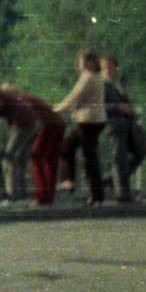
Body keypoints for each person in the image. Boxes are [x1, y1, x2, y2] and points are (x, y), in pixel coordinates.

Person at [0, 77, 65, 206]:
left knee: (8, 159)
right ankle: (21, 196)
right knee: (19, 159)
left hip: (23, 124)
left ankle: (14, 197)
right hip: (32, 122)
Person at [54, 48, 108, 205]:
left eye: (87, 62)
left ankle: (95, 195)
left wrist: (56, 109)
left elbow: (74, 97)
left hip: (88, 121)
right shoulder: (97, 77)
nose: (84, 65)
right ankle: (70, 181)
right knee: (68, 147)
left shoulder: (88, 78)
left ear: (93, 63)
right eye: (82, 62)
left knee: (89, 157)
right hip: (94, 120)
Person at [101, 54, 145, 202]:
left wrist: (131, 111)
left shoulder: (118, 84)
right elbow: (99, 106)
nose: (108, 70)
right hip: (114, 125)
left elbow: (125, 102)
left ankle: (112, 180)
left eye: (110, 67)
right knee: (119, 159)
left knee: (141, 151)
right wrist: (117, 107)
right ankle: (123, 195)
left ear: (116, 67)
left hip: (128, 125)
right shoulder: (102, 85)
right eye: (104, 68)